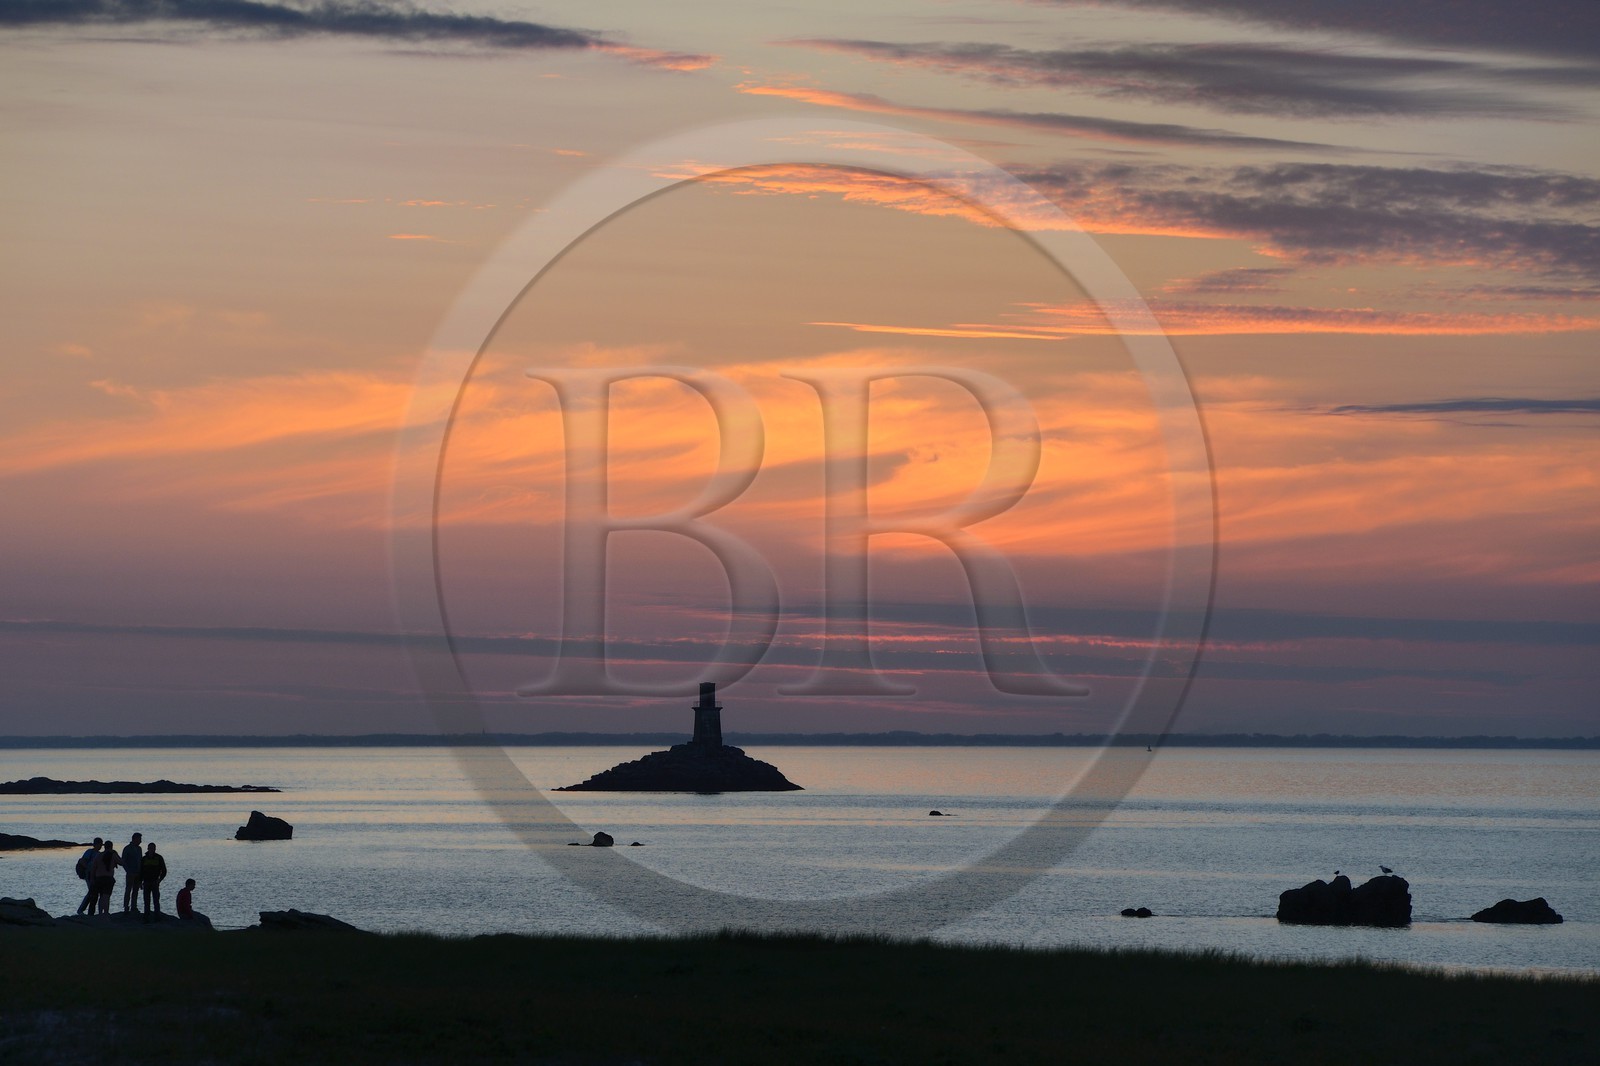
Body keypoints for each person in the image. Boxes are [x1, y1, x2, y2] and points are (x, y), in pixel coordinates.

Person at [74, 836, 103, 915]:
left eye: (101, 844)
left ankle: (88, 911)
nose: (100, 846)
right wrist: (89, 869)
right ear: (95, 844)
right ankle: (80, 910)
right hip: (88, 874)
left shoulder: (100, 854)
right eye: (99, 844)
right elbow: (83, 861)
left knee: (93, 893)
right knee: (91, 892)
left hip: (95, 875)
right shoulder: (89, 852)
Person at [90, 840, 120, 915]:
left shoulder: (98, 855)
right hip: (108, 878)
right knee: (106, 897)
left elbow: (93, 868)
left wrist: (92, 879)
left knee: (101, 896)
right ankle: (106, 913)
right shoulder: (113, 855)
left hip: (98, 878)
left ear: (104, 847)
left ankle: (100, 913)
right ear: (111, 847)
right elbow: (121, 862)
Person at [140, 842, 167, 916]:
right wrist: (140, 882)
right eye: (150, 848)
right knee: (146, 901)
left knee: (156, 900)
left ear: (155, 849)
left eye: (153, 848)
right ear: (148, 849)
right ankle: (146, 916)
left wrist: (160, 879)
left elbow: (164, 871)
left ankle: (157, 916)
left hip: (155, 881)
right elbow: (141, 871)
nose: (151, 850)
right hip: (146, 882)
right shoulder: (144, 859)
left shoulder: (159, 858)